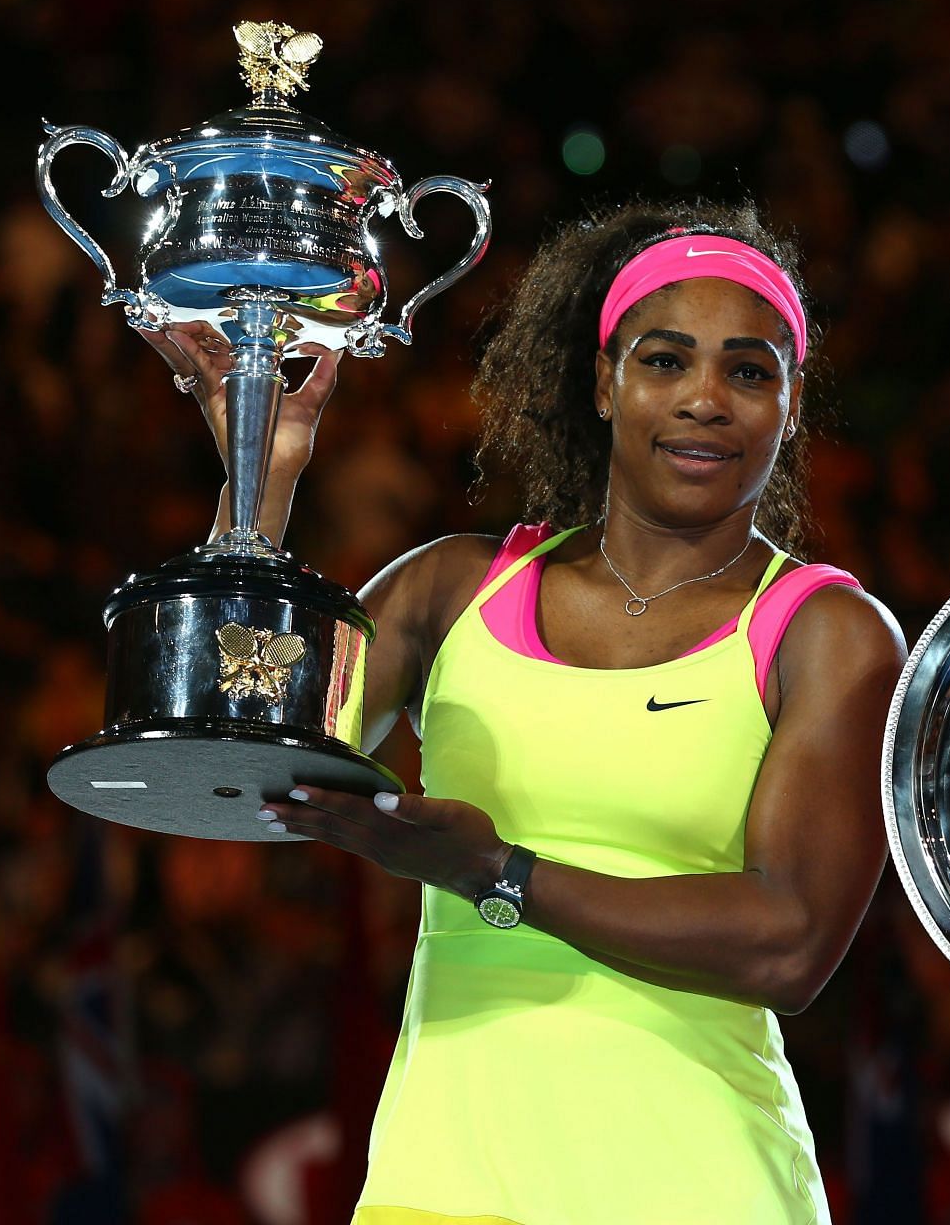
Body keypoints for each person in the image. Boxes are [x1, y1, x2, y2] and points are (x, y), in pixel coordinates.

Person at [142, 201, 906, 1224]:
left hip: (702, 1189)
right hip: (443, 1187)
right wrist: (256, 495)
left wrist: (495, 874)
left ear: (791, 403)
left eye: (749, 370)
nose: (706, 400)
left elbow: (790, 943)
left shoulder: (829, 633)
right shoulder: (451, 589)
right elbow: (222, 763)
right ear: (604, 380)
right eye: (665, 360)